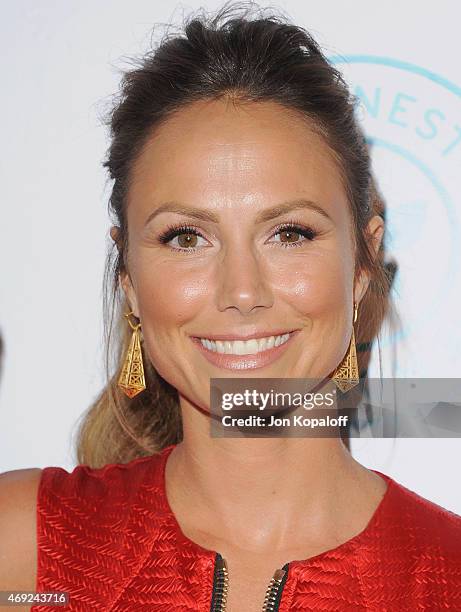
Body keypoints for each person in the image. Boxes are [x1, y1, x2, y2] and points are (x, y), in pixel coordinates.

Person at [1, 4, 460, 611]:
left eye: (290, 233)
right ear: (130, 279)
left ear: (361, 264)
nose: (241, 292)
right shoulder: (23, 552)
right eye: (186, 237)